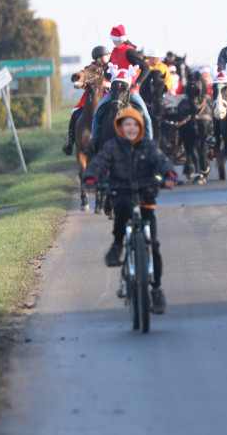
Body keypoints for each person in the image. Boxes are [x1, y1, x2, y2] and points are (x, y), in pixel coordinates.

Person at [82, 107, 178, 314]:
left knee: (154, 245)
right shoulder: (112, 147)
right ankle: (117, 246)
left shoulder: (149, 146)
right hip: (122, 193)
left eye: (135, 124)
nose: (131, 128)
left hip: (145, 197)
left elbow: (162, 161)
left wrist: (169, 174)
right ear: (119, 127)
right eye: (127, 125)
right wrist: (90, 178)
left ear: (141, 127)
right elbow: (99, 163)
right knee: (120, 217)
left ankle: (156, 289)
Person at [91, 24, 153, 140]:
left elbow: (146, 68)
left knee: (146, 117)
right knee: (96, 113)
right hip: (114, 90)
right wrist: (112, 79)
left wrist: (136, 83)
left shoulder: (129, 51)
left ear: (118, 39)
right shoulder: (114, 52)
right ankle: (95, 142)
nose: (112, 41)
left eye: (113, 39)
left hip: (131, 91)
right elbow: (107, 71)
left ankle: (150, 145)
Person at [62, 45, 110, 156]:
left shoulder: (112, 68)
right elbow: (85, 80)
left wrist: (107, 84)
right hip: (90, 98)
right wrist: (80, 84)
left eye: (102, 56)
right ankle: (70, 142)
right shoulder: (91, 68)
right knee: (75, 113)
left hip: (108, 96)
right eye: (97, 57)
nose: (100, 59)